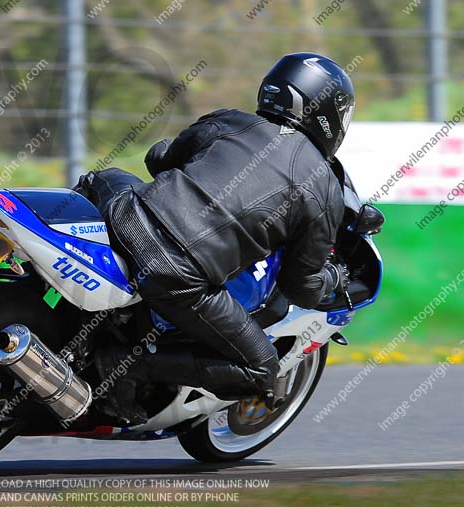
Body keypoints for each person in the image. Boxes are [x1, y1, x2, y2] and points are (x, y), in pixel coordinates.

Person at [77, 52, 354, 425]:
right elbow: (301, 286)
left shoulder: (231, 121)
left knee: (101, 178)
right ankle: (124, 364)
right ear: (328, 115)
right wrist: (335, 279)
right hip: (176, 274)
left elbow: (159, 159)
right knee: (261, 370)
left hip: (128, 216)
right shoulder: (322, 188)